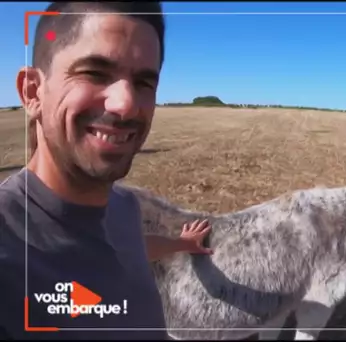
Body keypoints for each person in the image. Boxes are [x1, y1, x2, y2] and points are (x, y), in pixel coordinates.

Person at [0, 2, 214, 339]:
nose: (125, 103)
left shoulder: (124, 207)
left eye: (144, 82)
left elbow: (125, 247)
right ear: (32, 92)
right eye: (94, 73)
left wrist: (179, 243)